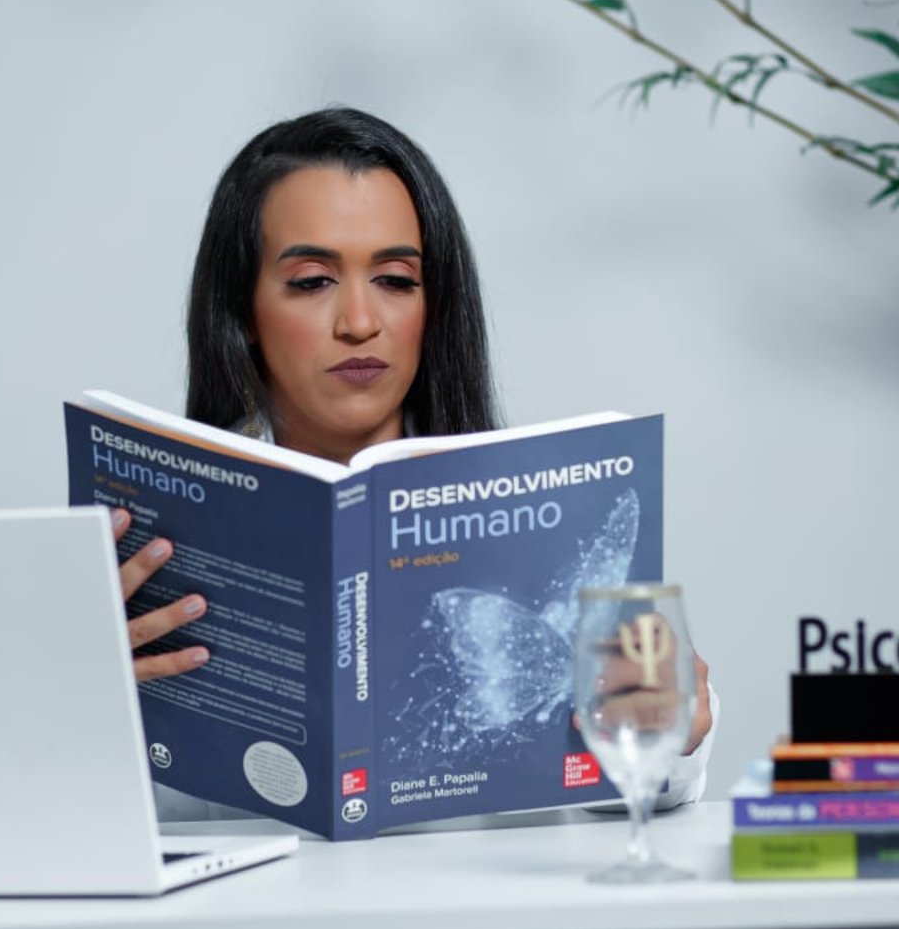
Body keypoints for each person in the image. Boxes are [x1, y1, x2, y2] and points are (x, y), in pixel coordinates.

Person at [112, 107, 714, 817]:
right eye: (312, 281)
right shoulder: (144, 548)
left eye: (396, 280)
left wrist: (673, 730)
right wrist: (93, 708)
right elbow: (86, 815)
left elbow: (639, 797)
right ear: (242, 311)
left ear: (436, 303)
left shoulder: (539, 511)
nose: (360, 322)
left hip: (477, 913)